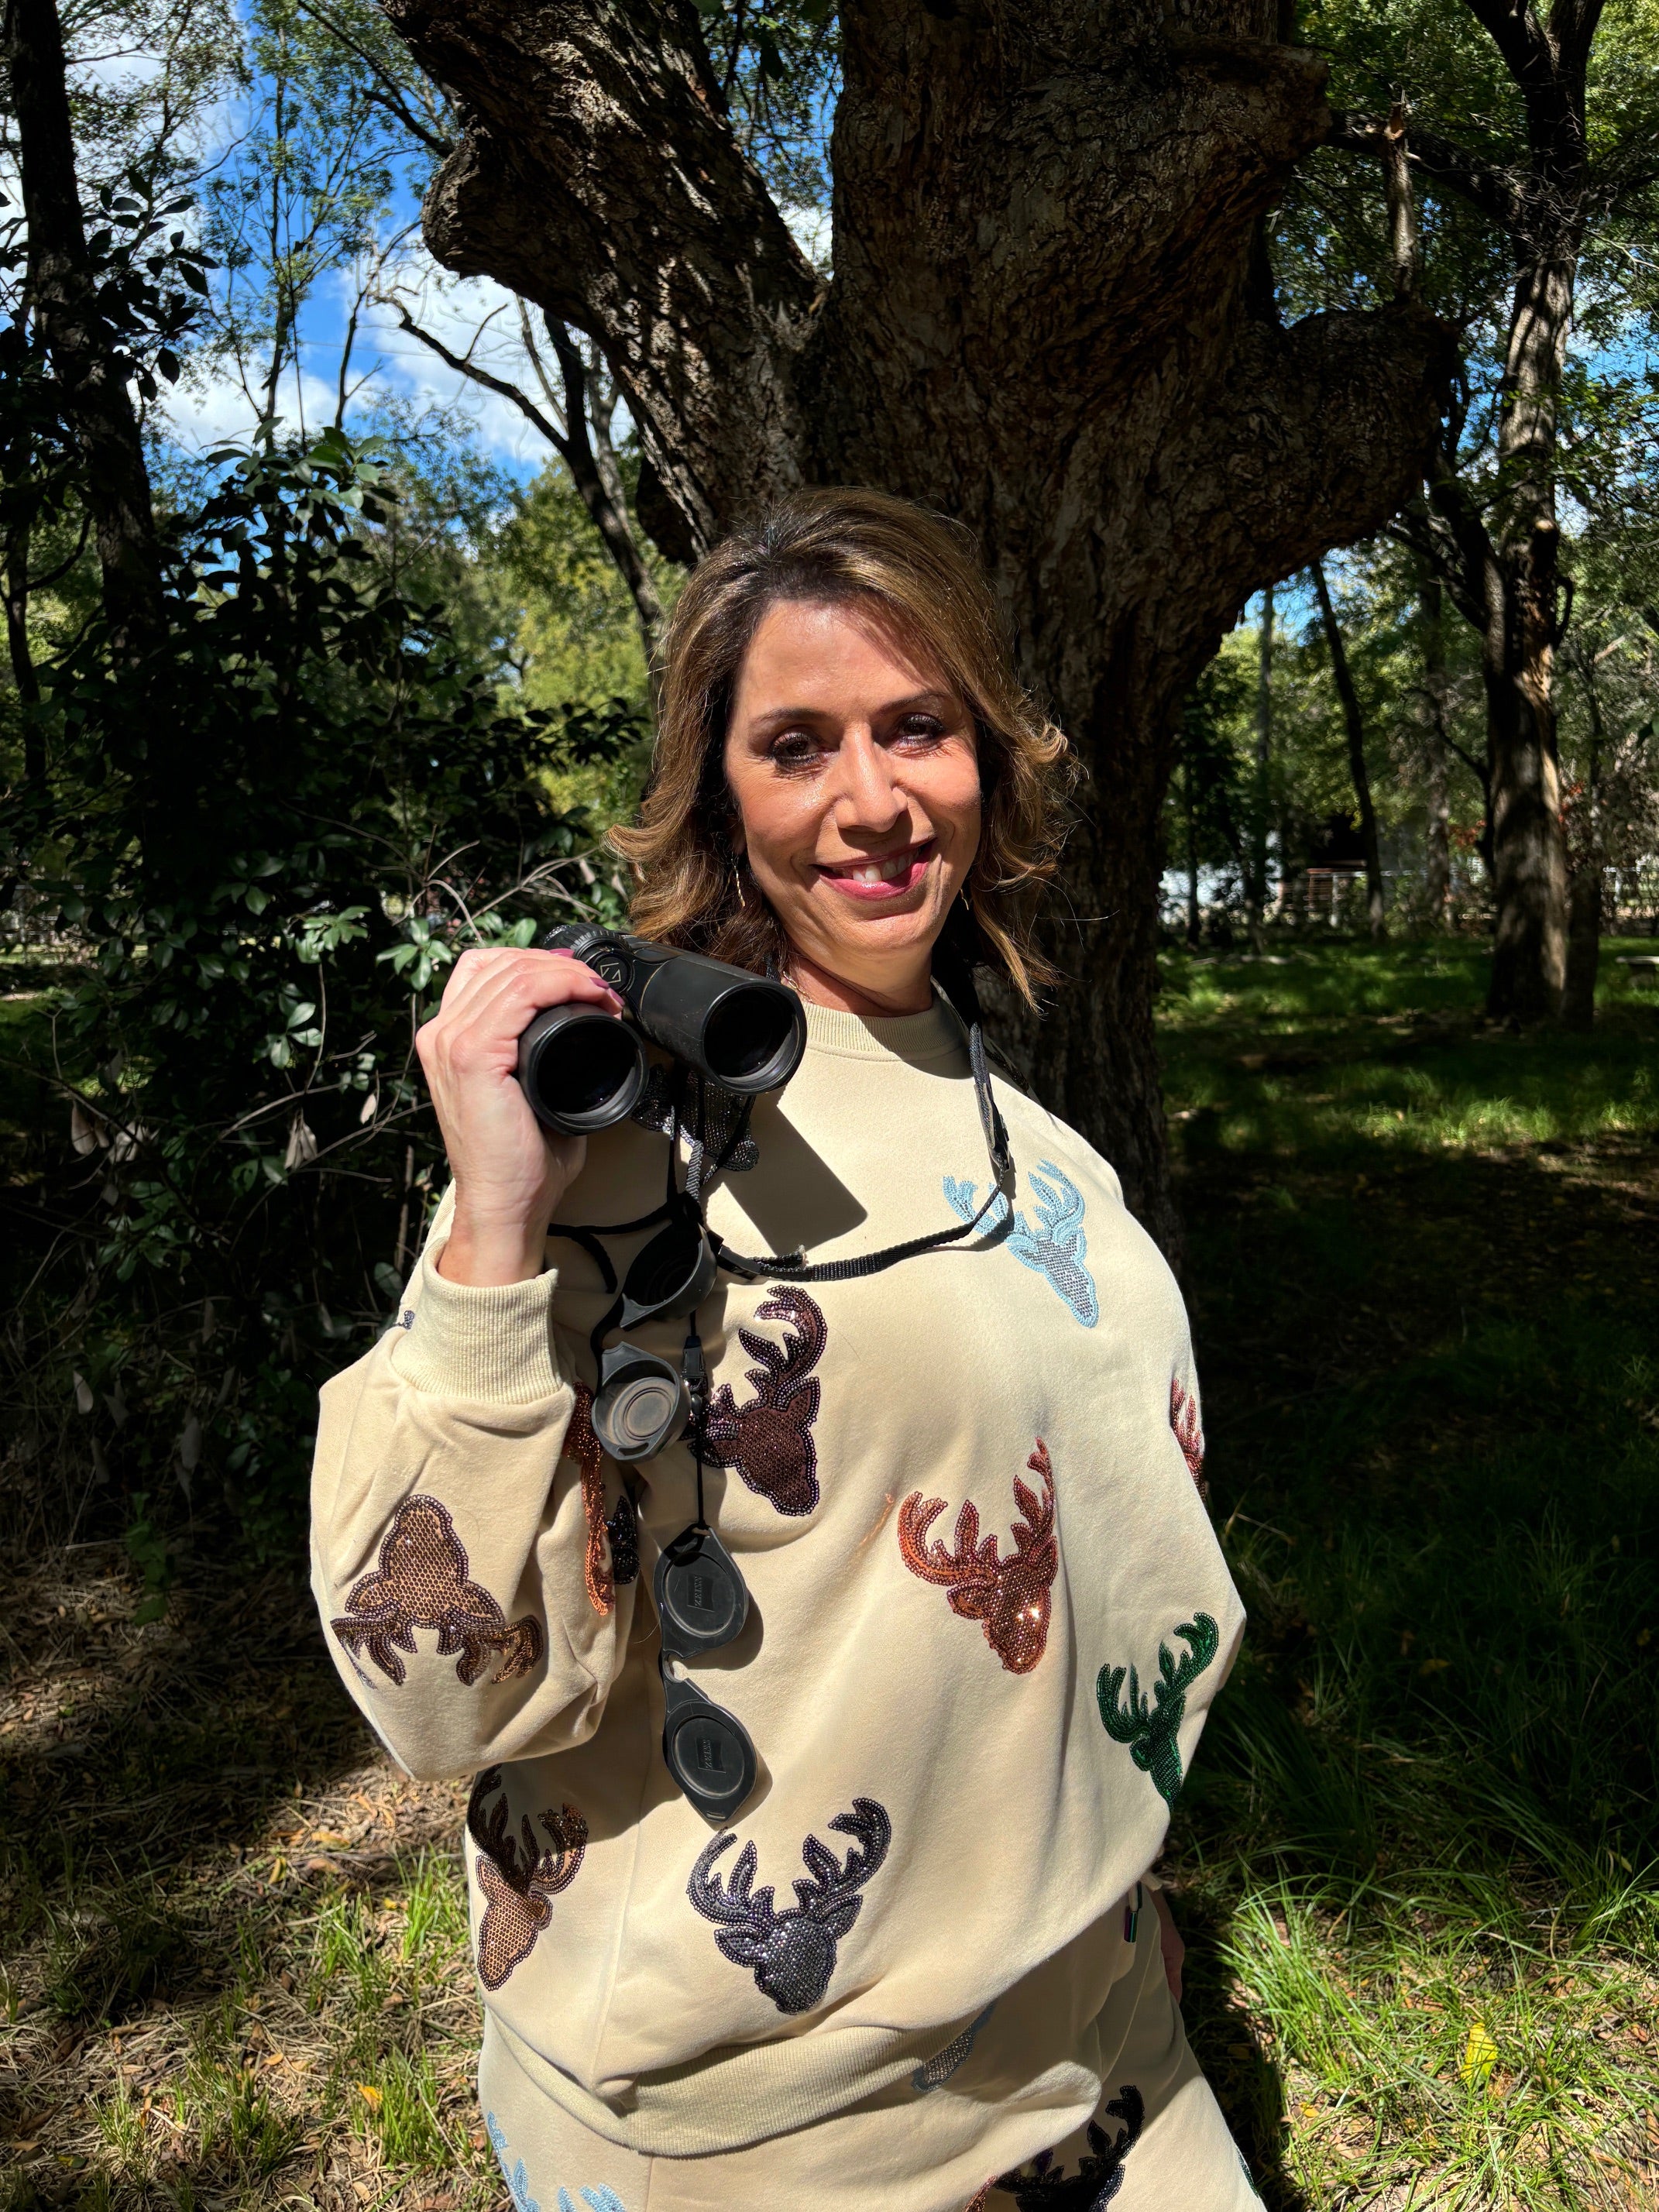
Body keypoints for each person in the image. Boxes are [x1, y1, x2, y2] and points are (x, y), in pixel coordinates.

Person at [311, 489, 1259, 2211]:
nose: (876, 798)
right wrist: (487, 1233)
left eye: (919, 727)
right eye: (797, 744)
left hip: (1103, 2041)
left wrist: (1117, 1904)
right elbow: (432, 1692)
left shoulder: (1033, 1137)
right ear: (718, 789)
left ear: (988, 755)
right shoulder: (626, 1148)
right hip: (774, 2135)